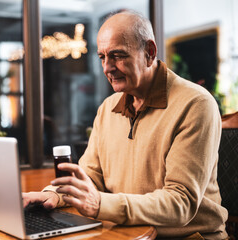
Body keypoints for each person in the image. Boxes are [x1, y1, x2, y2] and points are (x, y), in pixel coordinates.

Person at [23, 10, 228, 239]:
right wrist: (56, 195)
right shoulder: (108, 108)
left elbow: (180, 202)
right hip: (127, 233)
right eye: (102, 57)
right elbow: (91, 175)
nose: (107, 68)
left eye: (118, 55)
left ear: (149, 53)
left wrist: (100, 203)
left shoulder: (196, 104)